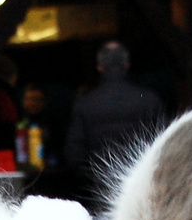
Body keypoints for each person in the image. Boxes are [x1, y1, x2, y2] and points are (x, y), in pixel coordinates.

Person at [62, 41, 165, 184]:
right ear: (127, 65)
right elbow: (163, 148)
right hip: (141, 184)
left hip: (101, 187)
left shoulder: (85, 104)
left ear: (99, 67)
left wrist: (95, 177)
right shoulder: (150, 100)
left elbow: (74, 156)